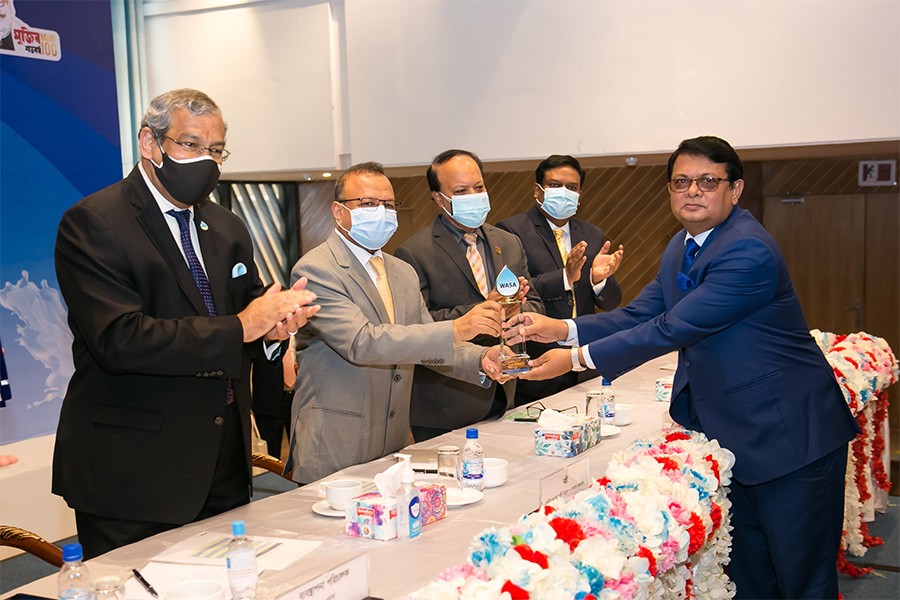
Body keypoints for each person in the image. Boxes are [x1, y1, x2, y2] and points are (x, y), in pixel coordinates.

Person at [506, 136, 859, 599]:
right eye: (681, 181)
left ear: (735, 191)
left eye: (708, 181)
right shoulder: (682, 244)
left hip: (790, 438)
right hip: (740, 438)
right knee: (753, 577)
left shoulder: (748, 250)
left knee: (802, 582)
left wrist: (574, 360)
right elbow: (639, 315)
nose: (693, 191)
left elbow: (673, 327)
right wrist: (563, 328)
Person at [52, 88, 319, 559]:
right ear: (149, 144)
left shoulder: (227, 225)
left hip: (222, 460)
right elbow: (120, 339)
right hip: (135, 469)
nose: (206, 161)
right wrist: (242, 327)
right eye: (190, 145)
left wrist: (274, 330)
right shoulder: (94, 222)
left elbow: (247, 311)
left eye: (215, 150)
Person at [287, 162, 507, 482]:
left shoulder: (401, 271)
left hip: (393, 443)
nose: (381, 212)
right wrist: (457, 328)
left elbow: (425, 342)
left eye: (389, 205)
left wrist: (481, 359)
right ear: (338, 211)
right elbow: (363, 343)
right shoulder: (317, 270)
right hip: (336, 441)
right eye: (368, 204)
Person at [394, 149, 544, 441]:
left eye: (479, 187)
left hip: (506, 394)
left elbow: (535, 303)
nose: (474, 196)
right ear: (439, 198)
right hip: (446, 406)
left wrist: (516, 312)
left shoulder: (508, 242)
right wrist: (482, 310)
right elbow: (418, 327)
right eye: (462, 191)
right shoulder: (414, 252)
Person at [496, 154, 624, 405]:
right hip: (537, 362)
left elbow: (612, 302)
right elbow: (518, 292)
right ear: (538, 190)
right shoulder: (511, 232)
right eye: (555, 185)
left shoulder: (591, 233)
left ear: (580, 194)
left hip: (583, 365)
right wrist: (565, 277)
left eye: (572, 187)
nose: (563, 192)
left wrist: (599, 281)